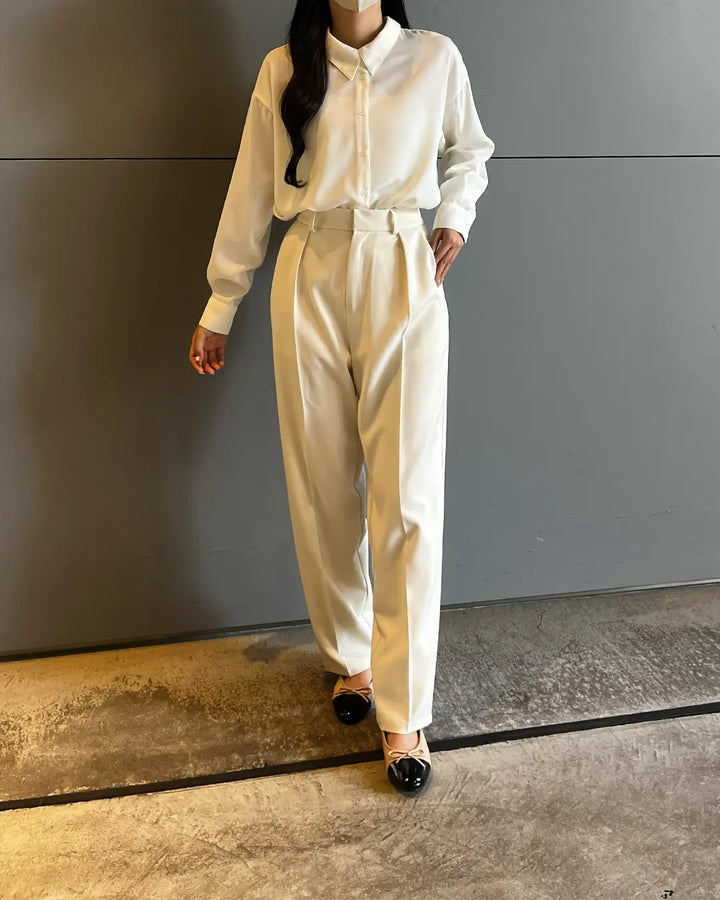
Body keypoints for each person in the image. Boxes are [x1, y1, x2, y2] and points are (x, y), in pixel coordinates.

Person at [188, 0, 495, 797]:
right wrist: (222, 301)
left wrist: (454, 216)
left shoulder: (433, 58)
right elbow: (252, 185)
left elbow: (470, 148)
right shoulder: (286, 68)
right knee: (323, 488)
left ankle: (406, 711)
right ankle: (352, 659)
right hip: (309, 270)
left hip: (404, 268)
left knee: (408, 499)